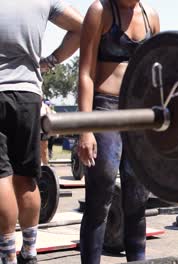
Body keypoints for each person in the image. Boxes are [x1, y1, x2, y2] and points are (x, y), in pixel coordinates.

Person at [77, 0, 160, 262]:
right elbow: (86, 73)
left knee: (137, 202)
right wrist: (86, 128)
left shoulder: (151, 16)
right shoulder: (99, 11)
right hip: (106, 110)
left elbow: (158, 73)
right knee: (99, 201)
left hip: (139, 114)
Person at [0, 1, 82, 263]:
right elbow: (82, 27)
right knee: (26, 177)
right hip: (29, 95)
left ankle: (7, 257)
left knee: (2, 178)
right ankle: (29, 251)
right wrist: (51, 61)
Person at [40, 101, 53, 165]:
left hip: (43, 132)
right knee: (35, 151)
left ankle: (46, 166)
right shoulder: (32, 105)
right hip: (34, 131)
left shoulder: (45, 107)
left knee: (44, 151)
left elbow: (50, 118)